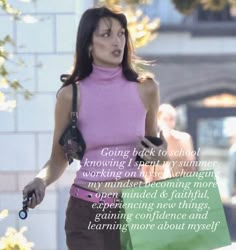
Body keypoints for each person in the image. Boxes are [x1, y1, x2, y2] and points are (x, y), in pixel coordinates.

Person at [22, 6, 167, 250]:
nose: (117, 40)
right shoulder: (71, 95)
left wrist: (160, 155)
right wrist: (40, 181)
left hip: (135, 214)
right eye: (107, 34)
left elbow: (151, 153)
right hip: (86, 213)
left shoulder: (147, 89)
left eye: (121, 33)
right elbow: (58, 159)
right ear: (89, 44)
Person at [155, 103, 196, 179]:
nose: (168, 123)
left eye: (171, 119)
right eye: (165, 119)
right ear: (158, 120)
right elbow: (146, 173)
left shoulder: (185, 139)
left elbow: (191, 166)